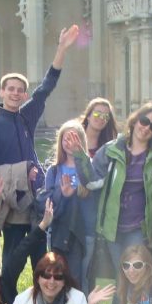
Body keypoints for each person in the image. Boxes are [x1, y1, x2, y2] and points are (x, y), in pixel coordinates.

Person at [0, 24, 80, 303]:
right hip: (13, 207)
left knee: (41, 264)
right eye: (10, 89)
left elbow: (46, 88)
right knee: (11, 266)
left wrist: (61, 49)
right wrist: (22, 173)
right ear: (1, 92)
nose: (15, 93)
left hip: (37, 203)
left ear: (24, 95)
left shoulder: (26, 117)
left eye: (20, 90)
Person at [69, 102, 152, 272]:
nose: (146, 128)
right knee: (121, 274)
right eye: (144, 121)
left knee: (134, 273)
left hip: (138, 228)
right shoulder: (111, 149)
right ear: (135, 120)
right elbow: (92, 182)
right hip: (112, 228)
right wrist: (80, 156)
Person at [8, 233, 115, 304]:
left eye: (58, 277)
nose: (51, 281)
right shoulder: (22, 301)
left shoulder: (78, 299)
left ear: (64, 281)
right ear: (37, 278)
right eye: (46, 276)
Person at [39, 120, 93, 290]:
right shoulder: (54, 170)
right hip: (60, 231)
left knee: (81, 278)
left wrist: (80, 157)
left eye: (74, 138)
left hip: (85, 231)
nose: (70, 142)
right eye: (66, 138)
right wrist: (62, 194)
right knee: (59, 275)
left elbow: (92, 184)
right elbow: (48, 201)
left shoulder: (88, 165)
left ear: (81, 141)